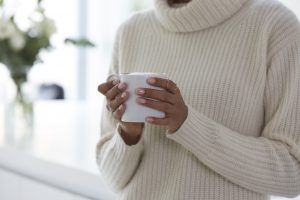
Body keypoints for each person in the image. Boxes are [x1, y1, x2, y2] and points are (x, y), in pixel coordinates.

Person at [96, 0, 300, 199]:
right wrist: (129, 133)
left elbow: (293, 173)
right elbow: (113, 179)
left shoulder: (274, 25)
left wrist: (187, 124)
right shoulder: (131, 31)